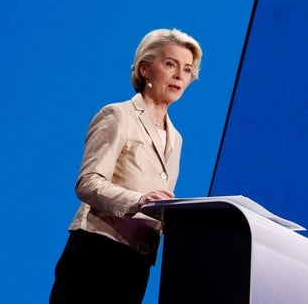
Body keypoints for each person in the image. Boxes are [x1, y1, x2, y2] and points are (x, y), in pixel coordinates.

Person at [50, 28, 202, 303]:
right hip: (96, 252)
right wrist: (139, 201)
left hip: (136, 262)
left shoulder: (176, 138)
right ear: (145, 69)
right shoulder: (118, 116)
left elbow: (156, 200)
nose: (180, 75)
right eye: (170, 64)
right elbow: (88, 183)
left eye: (188, 69)